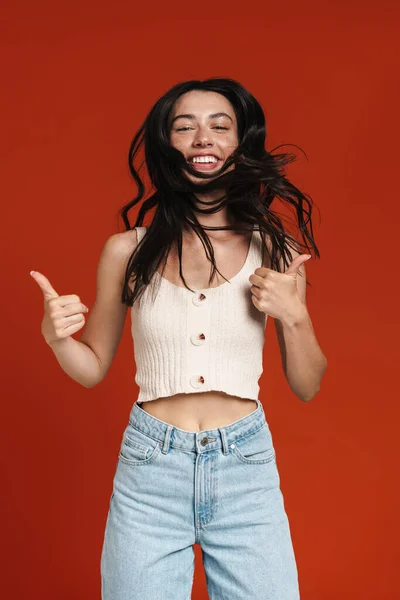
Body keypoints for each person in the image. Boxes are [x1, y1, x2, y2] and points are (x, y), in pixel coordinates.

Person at [31, 77, 327, 599]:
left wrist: (296, 316)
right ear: (167, 146)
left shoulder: (275, 251)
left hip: (245, 466)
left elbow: (307, 385)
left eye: (219, 126)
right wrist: (58, 339)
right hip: (150, 468)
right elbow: (93, 367)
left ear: (241, 144)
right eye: (184, 127)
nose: (202, 138)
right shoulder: (127, 250)